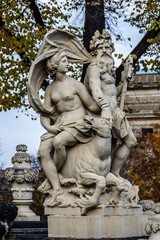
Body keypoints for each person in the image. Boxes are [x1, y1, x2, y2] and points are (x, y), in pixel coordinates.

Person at [38, 49, 100, 205]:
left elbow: (92, 106)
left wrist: (106, 104)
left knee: (58, 142)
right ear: (54, 65)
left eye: (67, 60)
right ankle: (57, 187)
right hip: (60, 125)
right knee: (42, 151)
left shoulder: (75, 84)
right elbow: (45, 113)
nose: (68, 64)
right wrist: (50, 128)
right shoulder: (50, 89)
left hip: (78, 124)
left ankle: (54, 175)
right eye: (64, 61)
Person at [84, 29, 137, 179]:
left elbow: (114, 92)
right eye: (101, 48)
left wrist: (124, 80)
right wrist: (106, 109)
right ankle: (105, 175)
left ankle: (114, 173)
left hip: (115, 111)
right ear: (95, 51)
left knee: (131, 141)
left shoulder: (109, 70)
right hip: (103, 112)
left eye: (107, 48)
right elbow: (95, 90)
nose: (105, 51)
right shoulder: (94, 67)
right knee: (108, 149)